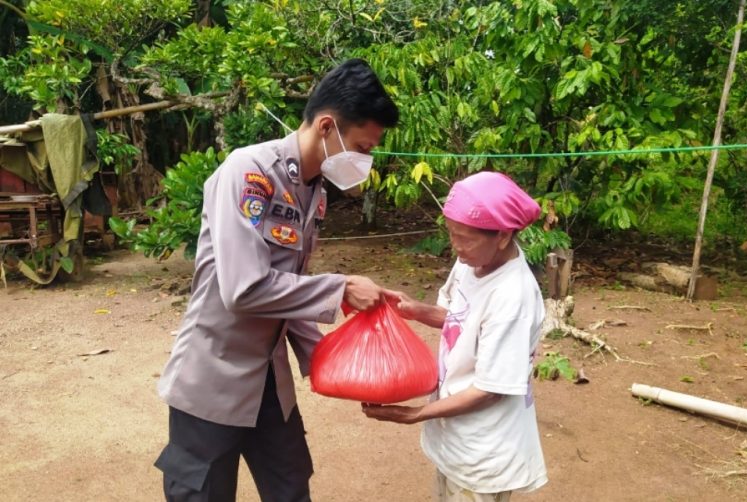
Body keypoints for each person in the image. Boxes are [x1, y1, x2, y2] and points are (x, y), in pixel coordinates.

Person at [154, 58, 399, 502]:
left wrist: (330, 362)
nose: (365, 160)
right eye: (362, 147)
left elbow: (291, 292)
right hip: (213, 378)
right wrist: (341, 288)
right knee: (202, 495)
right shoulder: (249, 172)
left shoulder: (313, 191)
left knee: (291, 490)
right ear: (327, 127)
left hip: (269, 379)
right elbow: (244, 289)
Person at [363, 171, 548, 502]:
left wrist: (416, 414)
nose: (456, 247)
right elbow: (464, 323)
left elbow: (490, 389)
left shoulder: (513, 297)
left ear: (503, 236)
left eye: (465, 238)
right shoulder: (472, 261)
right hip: (456, 438)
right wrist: (417, 309)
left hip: (483, 451)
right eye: (451, 234)